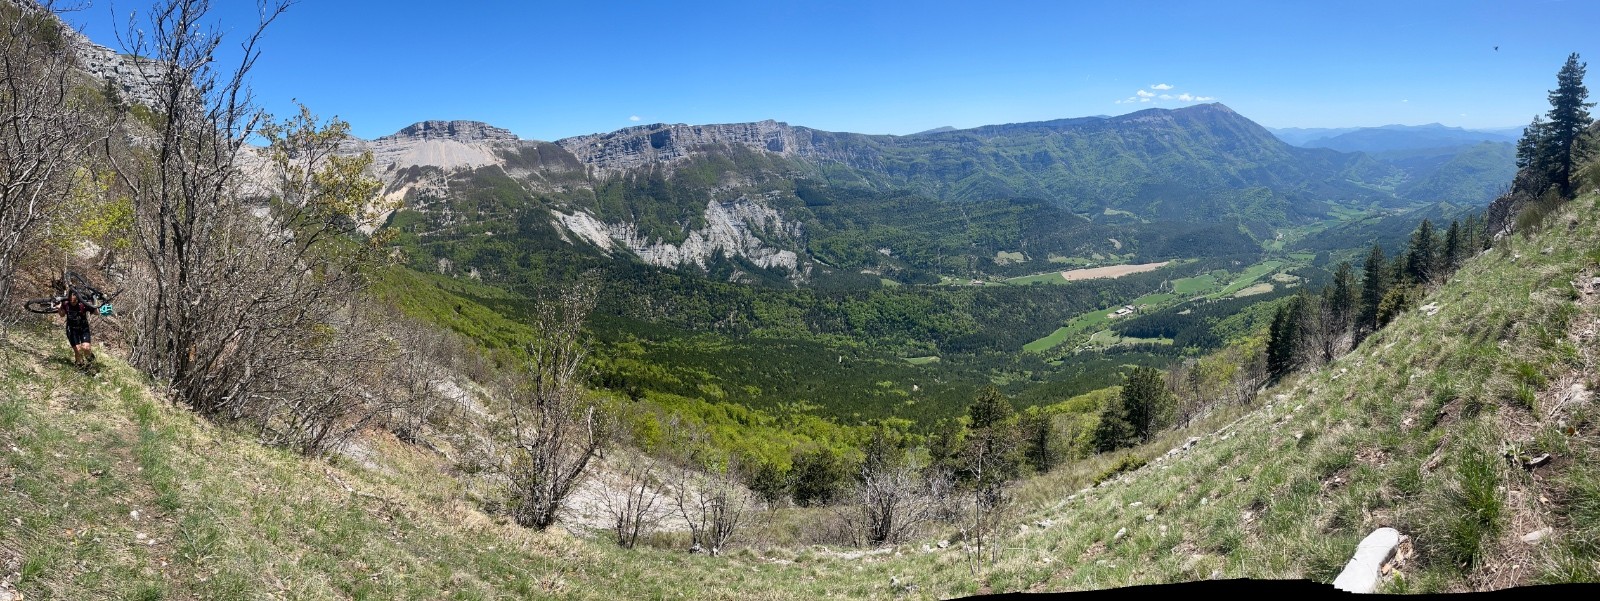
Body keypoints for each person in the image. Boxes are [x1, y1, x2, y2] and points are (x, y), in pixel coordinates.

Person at [58, 290, 95, 366]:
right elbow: (62, 315)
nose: (73, 303)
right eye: (71, 301)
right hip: (71, 329)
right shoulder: (66, 304)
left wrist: (95, 305)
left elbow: (96, 313)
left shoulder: (83, 304)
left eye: (74, 301)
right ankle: (80, 365)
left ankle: (91, 361)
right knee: (78, 350)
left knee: (86, 348)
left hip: (83, 328)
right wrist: (59, 308)